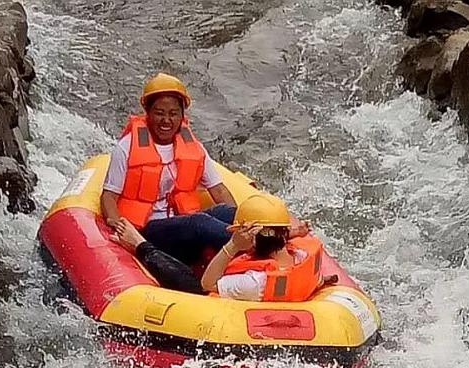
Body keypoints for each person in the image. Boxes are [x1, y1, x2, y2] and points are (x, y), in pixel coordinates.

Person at [100, 73, 236, 266]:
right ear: (147, 112)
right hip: (147, 230)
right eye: (159, 113)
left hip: (180, 226)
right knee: (199, 222)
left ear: (182, 116)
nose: (166, 120)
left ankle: (262, 241)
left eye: (173, 114)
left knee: (226, 212)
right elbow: (108, 196)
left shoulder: (193, 147)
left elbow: (219, 191)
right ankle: (252, 245)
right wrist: (117, 226)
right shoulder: (126, 147)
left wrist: (239, 217)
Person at [201, 193, 325, 301]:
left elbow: (207, 284)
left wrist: (233, 245)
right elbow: (274, 236)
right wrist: (296, 233)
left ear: (253, 240)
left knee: (197, 223)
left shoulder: (254, 282)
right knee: (221, 212)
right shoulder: (301, 256)